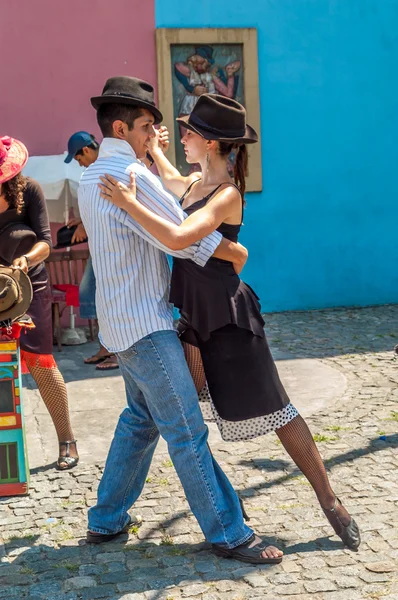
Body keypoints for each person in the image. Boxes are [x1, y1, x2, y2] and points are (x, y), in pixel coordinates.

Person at [99, 93, 361, 551]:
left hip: (230, 320)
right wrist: (156, 150)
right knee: (184, 417)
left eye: (190, 133)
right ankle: (226, 511)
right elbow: (174, 181)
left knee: (279, 410)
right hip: (193, 320)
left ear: (215, 142)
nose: (181, 137)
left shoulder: (227, 195)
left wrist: (127, 203)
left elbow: (179, 235)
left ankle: (329, 499)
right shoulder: (193, 182)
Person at [79, 76, 283, 564]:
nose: (155, 133)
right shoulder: (132, 178)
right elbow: (183, 238)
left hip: (120, 321)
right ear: (124, 127)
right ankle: (229, 533)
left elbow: (169, 216)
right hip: (146, 325)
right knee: (187, 430)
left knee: (140, 420)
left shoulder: (91, 175)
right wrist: (234, 250)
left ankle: (107, 520)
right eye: (149, 126)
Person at [0, 136, 78, 469]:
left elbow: (46, 242)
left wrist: (26, 259)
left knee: (40, 361)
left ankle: (67, 440)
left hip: (30, 284)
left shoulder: (29, 191)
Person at [64, 131, 120, 370]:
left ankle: (117, 352)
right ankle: (107, 348)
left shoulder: (105, 170)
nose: (80, 164)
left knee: (109, 297)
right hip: (101, 248)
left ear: (86, 150)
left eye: (79, 159)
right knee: (92, 295)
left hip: (114, 247)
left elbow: (111, 206)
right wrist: (81, 221)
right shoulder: (95, 173)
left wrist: (85, 225)